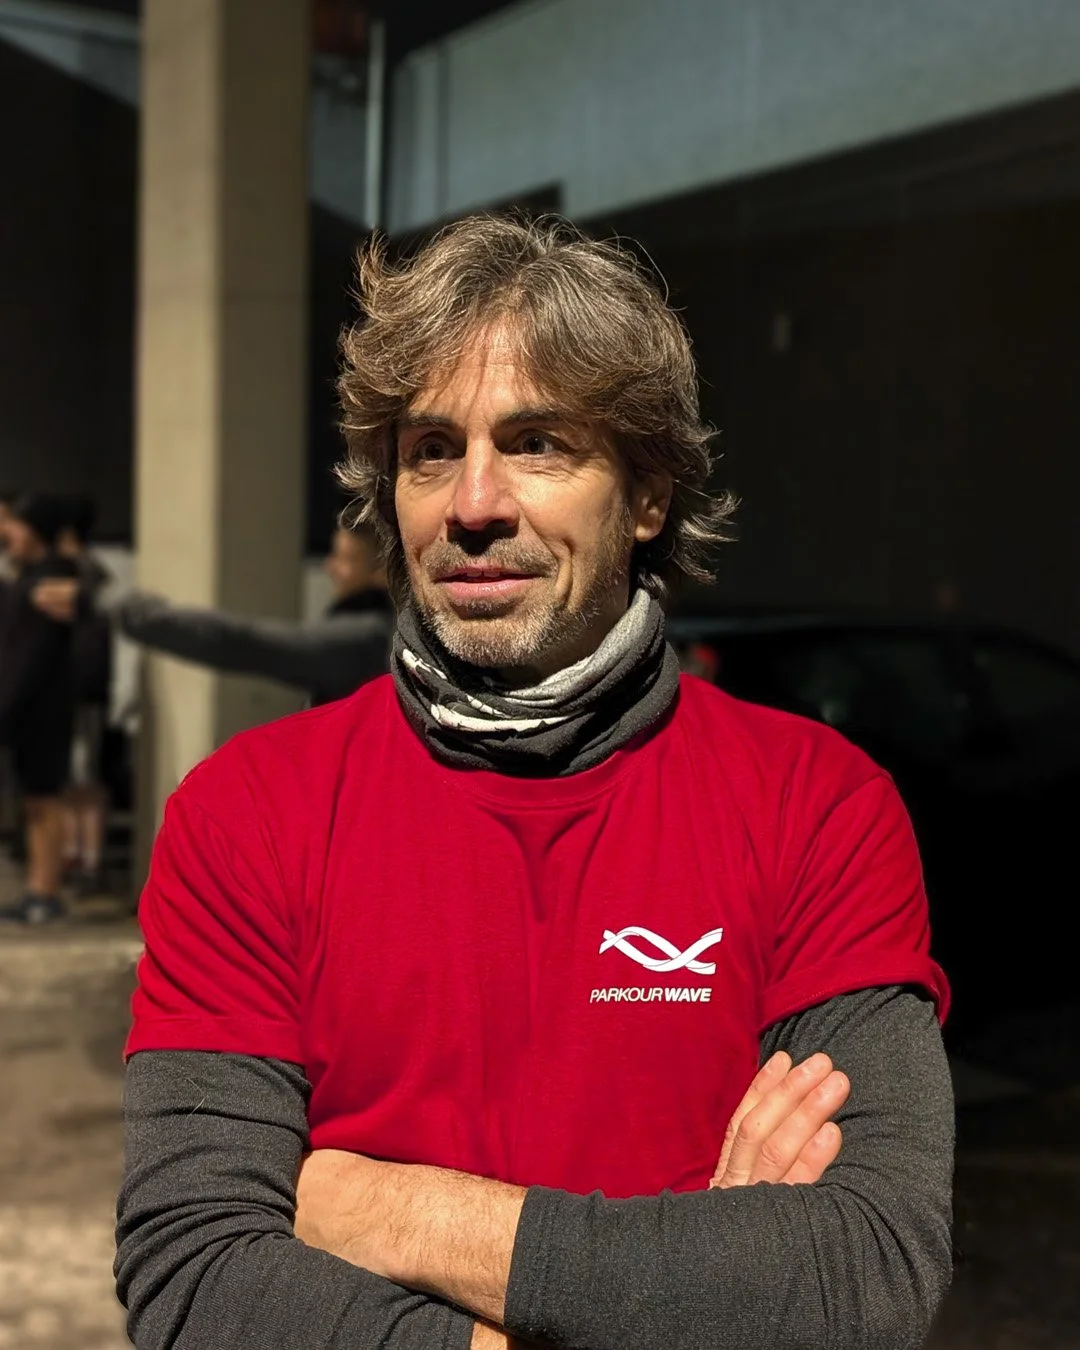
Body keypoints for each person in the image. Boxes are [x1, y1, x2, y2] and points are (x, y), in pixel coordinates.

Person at [115, 216, 953, 1350]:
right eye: (430, 449)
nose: (473, 504)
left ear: (647, 494)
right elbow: (193, 1278)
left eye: (537, 442)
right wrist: (692, 1288)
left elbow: (867, 1273)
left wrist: (387, 1210)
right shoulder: (247, 812)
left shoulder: (817, 805)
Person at [35, 523, 393, 708]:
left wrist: (107, 601)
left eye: (344, 559)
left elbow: (239, 641)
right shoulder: (373, 631)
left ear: (382, 571)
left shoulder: (369, 637)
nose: (330, 567)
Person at [0, 494, 79, 923]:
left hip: (43, 707)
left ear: (34, 531)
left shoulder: (53, 579)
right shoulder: (29, 577)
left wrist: (9, 704)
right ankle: (37, 888)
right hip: (28, 706)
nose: (8, 532)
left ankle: (46, 892)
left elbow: (31, 656)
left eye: (15, 524)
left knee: (45, 800)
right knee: (34, 801)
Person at [53, 495, 115, 896]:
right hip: (70, 691)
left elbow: (92, 646)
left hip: (85, 692)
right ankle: (74, 855)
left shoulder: (88, 574)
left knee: (87, 777)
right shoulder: (78, 571)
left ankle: (90, 861)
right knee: (70, 777)